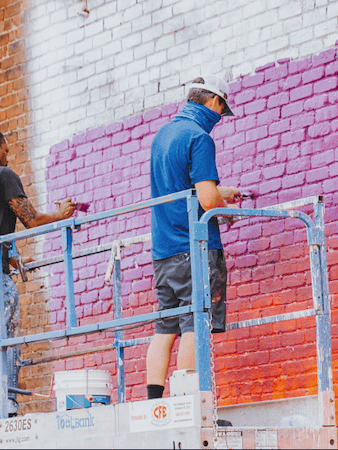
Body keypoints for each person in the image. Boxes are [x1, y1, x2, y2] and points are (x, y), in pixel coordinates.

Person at [0, 126, 78, 425]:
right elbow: (31, 219)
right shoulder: (2, 176)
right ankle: (3, 403)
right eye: (5, 150)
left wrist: (11, 257)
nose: (8, 156)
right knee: (5, 339)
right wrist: (61, 215)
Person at [146, 75, 241, 399]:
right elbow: (207, 201)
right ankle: (188, 407)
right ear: (214, 102)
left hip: (164, 252)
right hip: (194, 249)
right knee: (195, 326)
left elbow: (181, 190)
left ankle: (155, 406)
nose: (219, 118)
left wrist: (216, 191)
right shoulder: (199, 137)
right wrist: (227, 210)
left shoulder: (163, 135)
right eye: (221, 110)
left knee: (165, 327)